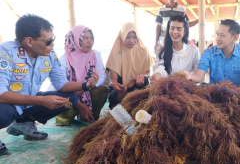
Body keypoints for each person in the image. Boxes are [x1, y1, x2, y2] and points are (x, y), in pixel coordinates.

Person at [0, 14, 99, 155]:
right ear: (29, 41)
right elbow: (1, 94)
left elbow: (62, 85)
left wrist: (85, 85)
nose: (52, 44)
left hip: (28, 103)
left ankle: (23, 123)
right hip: (7, 104)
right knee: (3, 113)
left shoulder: (50, 55)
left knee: (70, 98)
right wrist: (42, 100)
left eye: (53, 39)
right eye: (48, 41)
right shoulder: (6, 52)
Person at [52, 25, 108, 126]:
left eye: (91, 38)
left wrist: (87, 87)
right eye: (85, 38)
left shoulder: (95, 55)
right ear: (75, 40)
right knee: (65, 113)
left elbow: (101, 76)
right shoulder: (64, 59)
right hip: (69, 96)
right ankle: (64, 118)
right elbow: (59, 87)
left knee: (102, 90)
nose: (90, 41)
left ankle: (89, 116)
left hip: (86, 93)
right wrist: (80, 104)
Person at [185, 19, 240, 91]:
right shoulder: (208, 52)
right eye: (217, 34)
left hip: (237, 96)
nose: (218, 38)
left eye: (222, 35)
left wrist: (231, 95)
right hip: (213, 95)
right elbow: (198, 76)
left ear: (235, 38)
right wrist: (190, 76)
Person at [106, 23, 153, 109]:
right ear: (122, 36)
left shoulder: (143, 51)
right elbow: (113, 80)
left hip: (138, 85)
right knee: (113, 97)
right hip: (121, 87)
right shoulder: (116, 51)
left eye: (134, 37)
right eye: (128, 37)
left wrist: (142, 75)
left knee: (146, 97)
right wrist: (117, 87)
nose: (132, 40)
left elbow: (148, 71)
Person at [150, 15, 200, 82]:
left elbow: (197, 73)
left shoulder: (193, 50)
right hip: (168, 89)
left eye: (179, 29)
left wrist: (189, 76)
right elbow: (161, 68)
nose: (175, 32)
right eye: (172, 28)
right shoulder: (161, 50)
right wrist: (158, 75)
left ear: (184, 31)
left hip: (188, 89)